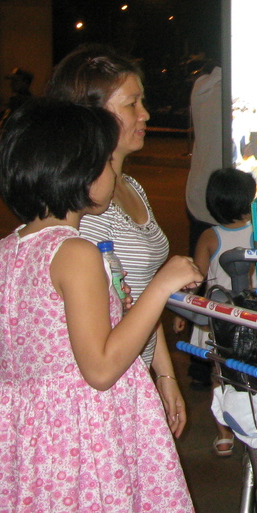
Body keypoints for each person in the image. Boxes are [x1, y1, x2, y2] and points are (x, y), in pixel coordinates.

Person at [0, 98, 206, 513]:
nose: (114, 169)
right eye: (107, 160)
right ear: (79, 172)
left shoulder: (3, 252)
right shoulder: (76, 253)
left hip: (21, 442)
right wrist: (161, 286)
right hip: (78, 444)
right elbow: (101, 368)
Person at [47, 43, 187, 437]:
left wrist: (164, 374)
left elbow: (136, 293)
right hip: (104, 391)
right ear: (93, 115)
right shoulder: (86, 207)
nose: (145, 114)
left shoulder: (131, 187)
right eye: (131, 104)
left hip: (135, 375)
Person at [192, 167, 257, 457]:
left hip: (217, 315)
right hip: (251, 314)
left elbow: (196, 277)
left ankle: (224, 434)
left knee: (219, 374)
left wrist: (184, 310)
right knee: (254, 369)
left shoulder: (209, 236)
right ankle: (256, 424)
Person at [185, 59, 224, 253]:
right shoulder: (222, 91)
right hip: (223, 201)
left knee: (200, 263)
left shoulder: (202, 87)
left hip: (200, 196)